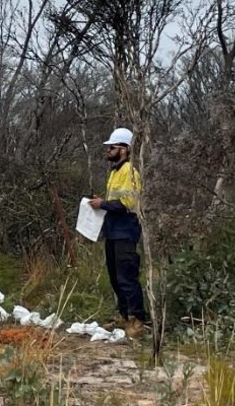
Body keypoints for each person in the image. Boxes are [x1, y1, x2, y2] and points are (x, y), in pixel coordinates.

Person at [88, 127, 148, 338]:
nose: (108, 150)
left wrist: (103, 203)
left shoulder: (130, 172)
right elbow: (114, 201)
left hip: (126, 231)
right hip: (113, 231)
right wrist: (101, 202)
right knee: (115, 276)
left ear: (124, 150)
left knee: (127, 277)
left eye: (112, 147)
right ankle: (123, 315)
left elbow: (127, 203)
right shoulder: (115, 171)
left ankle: (137, 320)